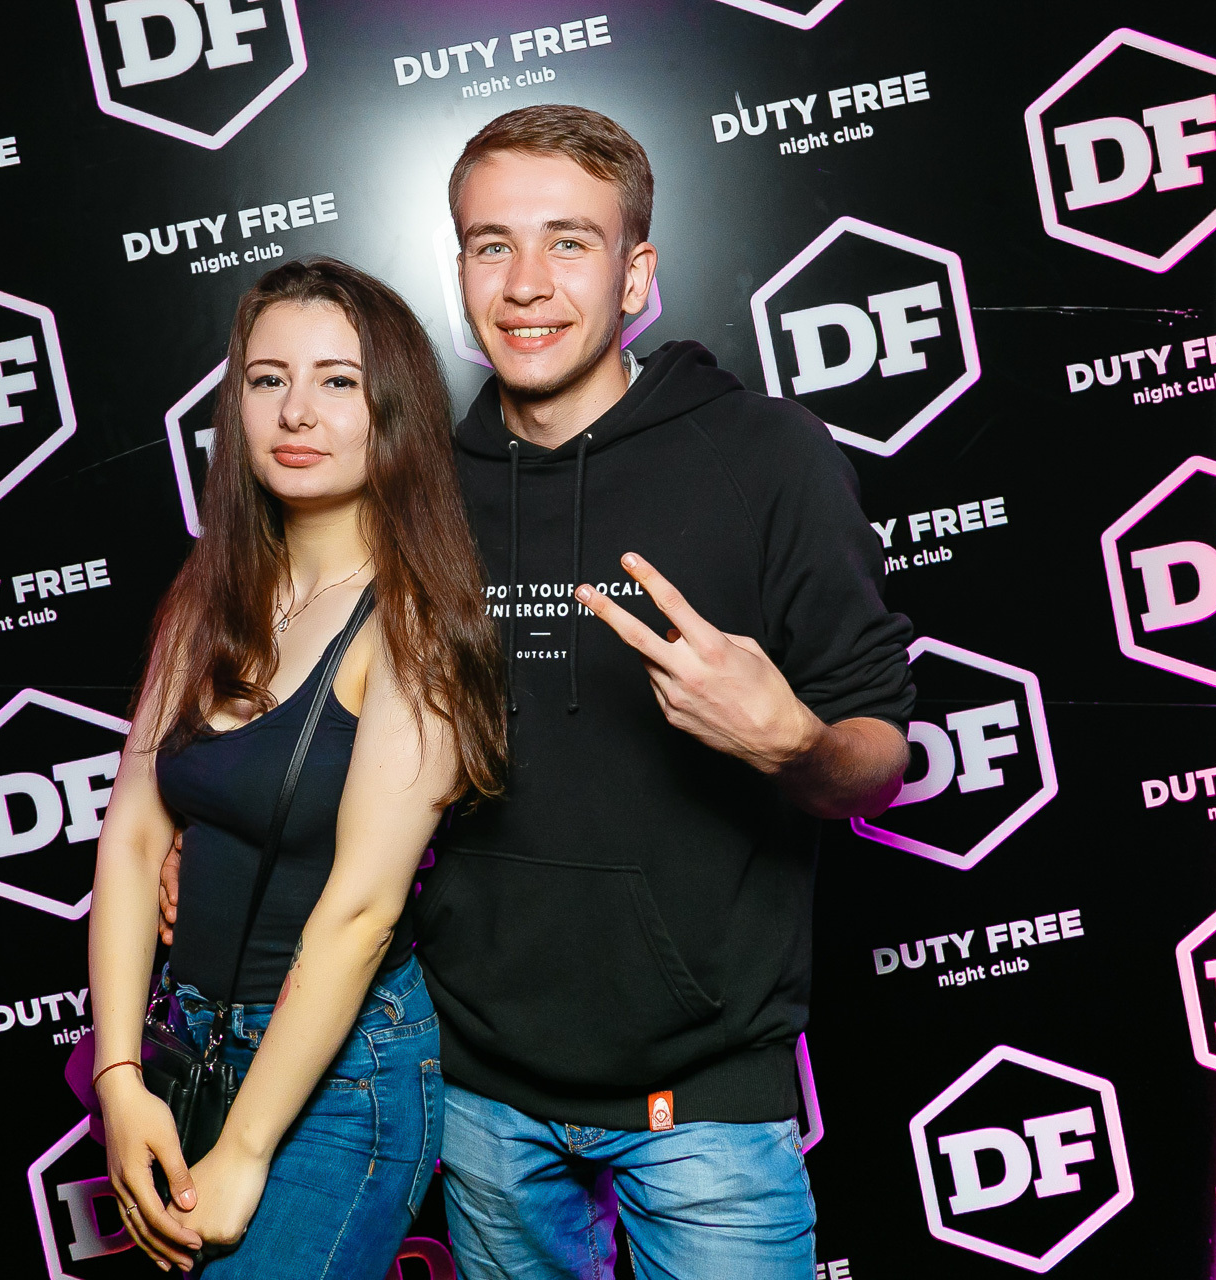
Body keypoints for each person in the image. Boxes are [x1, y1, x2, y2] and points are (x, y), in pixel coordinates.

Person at [162, 106, 915, 1277]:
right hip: (479, 1090)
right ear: (459, 266)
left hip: (706, 1101)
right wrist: (215, 838)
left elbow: (881, 755)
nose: (525, 283)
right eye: (490, 244)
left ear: (635, 274)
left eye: (569, 241)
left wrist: (795, 744)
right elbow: (306, 700)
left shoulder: (768, 456)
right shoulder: (415, 489)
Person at [86, 258, 506, 1276]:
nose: (296, 412)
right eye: (268, 378)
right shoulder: (211, 592)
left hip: (342, 1078)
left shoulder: (412, 623)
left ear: (393, 410)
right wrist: (119, 1076)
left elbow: (361, 913)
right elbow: (133, 834)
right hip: (193, 1041)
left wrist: (245, 1147)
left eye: (338, 381)